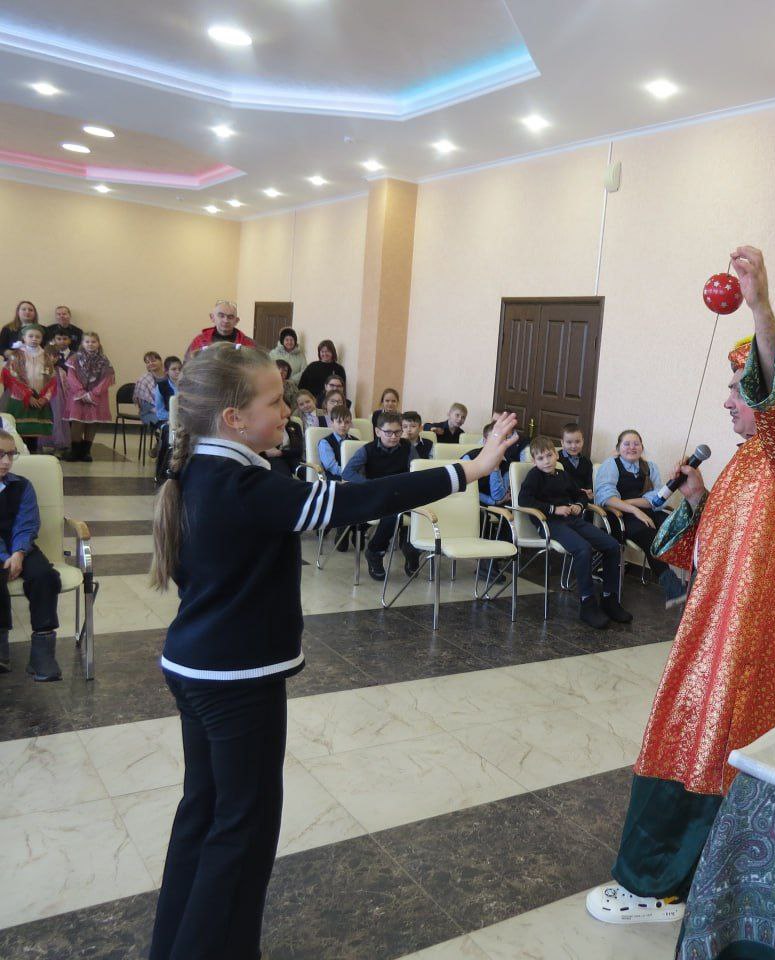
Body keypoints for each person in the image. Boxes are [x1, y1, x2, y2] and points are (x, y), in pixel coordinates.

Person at [146, 343, 518, 960]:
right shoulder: (245, 486)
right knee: (241, 832)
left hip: (196, 667)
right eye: (274, 401)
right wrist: (468, 470)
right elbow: (360, 499)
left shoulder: (202, 472)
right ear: (233, 417)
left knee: (203, 816)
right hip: (236, 680)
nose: (287, 410)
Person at [586, 246, 775, 925]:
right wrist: (696, 498)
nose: (727, 400)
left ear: (773, 402)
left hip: (742, 644)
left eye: (737, 390)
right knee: (706, 741)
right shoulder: (752, 458)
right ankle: (707, 876)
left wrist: (759, 305)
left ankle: (662, 886)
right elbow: (717, 541)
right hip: (716, 628)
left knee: (703, 742)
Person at [519, 435, 630, 629]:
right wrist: (554, 509)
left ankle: (609, 598)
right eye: (541, 458)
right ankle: (587, 603)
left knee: (612, 546)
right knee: (582, 549)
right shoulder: (534, 476)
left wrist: (579, 505)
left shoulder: (562, 474)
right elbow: (524, 500)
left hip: (571, 520)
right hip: (549, 523)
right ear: (534, 461)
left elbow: (579, 494)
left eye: (549, 456)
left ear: (556, 455)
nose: (546, 461)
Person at [594, 429, 687, 605]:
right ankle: (673, 588)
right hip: (620, 516)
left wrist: (631, 502)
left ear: (642, 447)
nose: (632, 447)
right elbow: (606, 497)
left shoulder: (650, 467)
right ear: (618, 448)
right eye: (627, 444)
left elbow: (658, 499)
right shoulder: (611, 465)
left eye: (636, 444)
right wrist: (634, 509)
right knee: (650, 535)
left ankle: (694, 584)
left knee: (674, 527)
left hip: (646, 512)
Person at [0, 429, 62, 680]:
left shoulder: (22, 485)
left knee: (44, 576)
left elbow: (27, 523)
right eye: (0, 454)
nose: (6, 461)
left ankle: (42, 652)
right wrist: (5, 556)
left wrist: (18, 552)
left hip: (21, 547)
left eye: (10, 454)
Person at [341, 411, 424, 581]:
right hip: (376, 495)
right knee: (392, 515)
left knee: (423, 511)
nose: (394, 437)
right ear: (378, 431)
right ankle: (375, 551)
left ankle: (411, 547)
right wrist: (369, 484)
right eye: (389, 433)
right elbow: (347, 472)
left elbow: (417, 471)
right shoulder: (367, 450)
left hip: (400, 493)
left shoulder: (408, 447)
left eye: (398, 432)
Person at [2, 325, 58, 449]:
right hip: (19, 399)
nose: (34, 339)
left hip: (39, 399)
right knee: (18, 432)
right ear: (24, 338)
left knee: (34, 432)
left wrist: (45, 398)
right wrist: (27, 396)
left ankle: (32, 453)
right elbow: (12, 379)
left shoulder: (46, 357)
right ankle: (18, 453)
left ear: (42, 339)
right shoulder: (16, 356)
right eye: (30, 336)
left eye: (38, 337)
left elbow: (52, 380)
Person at [64, 332, 116, 462]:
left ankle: (86, 451)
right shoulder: (74, 358)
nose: (90, 344)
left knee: (92, 422)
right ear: (82, 343)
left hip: (97, 396)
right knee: (77, 422)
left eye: (93, 342)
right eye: (87, 341)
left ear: (98, 343)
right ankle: (75, 450)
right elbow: (71, 377)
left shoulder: (104, 360)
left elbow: (106, 379)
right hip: (78, 396)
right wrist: (81, 392)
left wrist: (93, 394)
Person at [184, 300, 255, 360]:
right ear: (212, 317)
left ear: (236, 321)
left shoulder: (247, 344)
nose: (226, 320)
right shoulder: (199, 341)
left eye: (230, 317)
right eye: (221, 316)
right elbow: (187, 366)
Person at [460, 421, 510, 506]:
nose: (498, 444)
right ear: (484, 441)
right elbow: (466, 490)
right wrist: (491, 502)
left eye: (502, 441)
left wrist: (495, 467)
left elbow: (498, 497)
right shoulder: (470, 458)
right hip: (469, 503)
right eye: (493, 441)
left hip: (494, 508)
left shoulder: (507, 464)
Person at [318, 405, 357, 481]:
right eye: (339, 422)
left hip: (355, 479)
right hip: (336, 481)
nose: (343, 425)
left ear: (350, 424)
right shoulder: (325, 443)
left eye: (347, 422)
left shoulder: (356, 441)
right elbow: (332, 467)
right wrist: (351, 474)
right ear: (332, 422)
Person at [558, 423, 593, 498]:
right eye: (569, 442)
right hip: (563, 498)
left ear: (582, 441)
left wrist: (589, 490)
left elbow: (589, 481)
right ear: (562, 443)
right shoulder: (556, 459)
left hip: (582, 498)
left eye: (577, 442)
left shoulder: (586, 461)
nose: (573, 446)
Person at [136, 352, 165, 428]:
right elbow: (144, 405)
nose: (150, 363)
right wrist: (161, 412)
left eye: (153, 361)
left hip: (169, 409)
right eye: (147, 362)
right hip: (150, 412)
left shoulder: (169, 376)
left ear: (161, 361)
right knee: (165, 424)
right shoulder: (143, 380)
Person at [154, 357, 182, 423]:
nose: (178, 371)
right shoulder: (161, 386)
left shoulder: (188, 386)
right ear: (166, 371)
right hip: (168, 420)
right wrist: (175, 417)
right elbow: (160, 412)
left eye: (180, 369)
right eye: (174, 369)